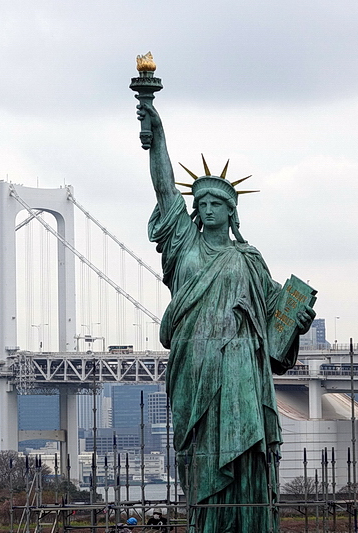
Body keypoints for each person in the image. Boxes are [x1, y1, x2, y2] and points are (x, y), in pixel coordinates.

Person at [136, 101, 315, 533]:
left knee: (247, 457)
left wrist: (298, 319)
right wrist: (156, 135)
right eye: (202, 202)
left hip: (241, 371)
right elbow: (164, 190)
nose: (209, 208)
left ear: (232, 211)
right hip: (195, 368)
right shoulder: (183, 245)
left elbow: (278, 315)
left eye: (218, 202)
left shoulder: (249, 259)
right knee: (199, 457)